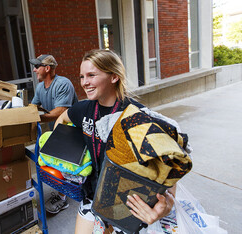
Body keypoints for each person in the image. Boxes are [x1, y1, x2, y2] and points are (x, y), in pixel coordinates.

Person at [54, 49, 176, 233]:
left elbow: (168, 162)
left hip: (128, 206)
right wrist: (67, 151)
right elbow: (62, 119)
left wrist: (167, 202)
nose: (84, 83)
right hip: (93, 198)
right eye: (81, 76)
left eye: (91, 75)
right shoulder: (83, 109)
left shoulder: (136, 115)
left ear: (114, 77)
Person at [29, 54, 78, 214]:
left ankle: (63, 199)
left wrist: (36, 117)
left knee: (66, 165)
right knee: (56, 164)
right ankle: (64, 190)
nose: (35, 70)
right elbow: (33, 106)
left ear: (47, 68)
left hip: (72, 130)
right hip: (56, 130)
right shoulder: (40, 87)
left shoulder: (63, 84)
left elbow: (60, 111)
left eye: (37, 66)